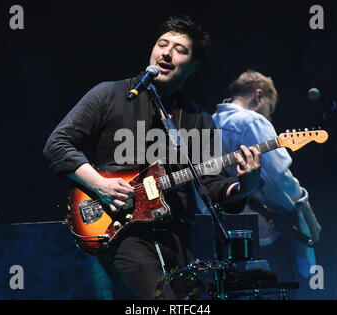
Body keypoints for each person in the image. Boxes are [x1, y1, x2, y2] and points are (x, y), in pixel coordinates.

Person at [43, 16, 261, 300]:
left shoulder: (199, 120)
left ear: (193, 66)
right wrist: (99, 184)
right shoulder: (110, 94)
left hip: (177, 238)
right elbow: (57, 144)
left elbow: (211, 184)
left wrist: (246, 185)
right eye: (162, 44)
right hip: (122, 230)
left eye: (180, 49)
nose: (167, 52)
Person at [212, 70, 322, 288]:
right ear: (258, 96)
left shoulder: (210, 121)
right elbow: (277, 175)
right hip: (265, 234)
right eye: (269, 109)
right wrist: (302, 208)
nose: (268, 117)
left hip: (224, 234)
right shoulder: (252, 122)